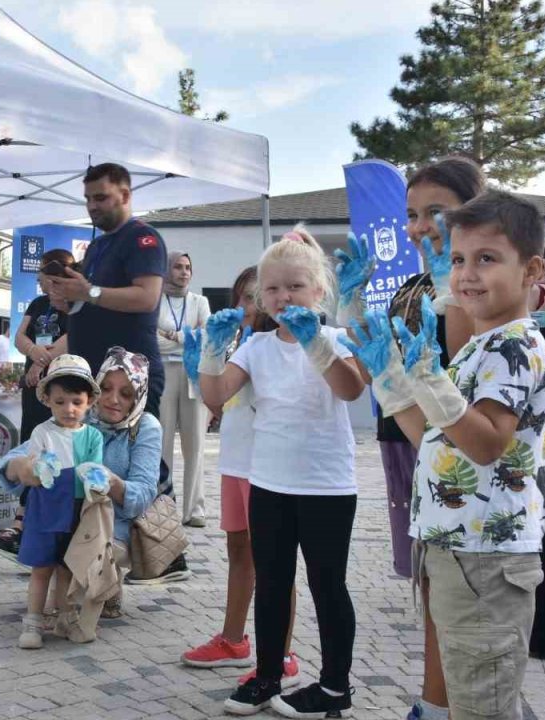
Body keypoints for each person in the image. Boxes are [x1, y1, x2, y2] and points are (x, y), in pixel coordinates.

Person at [349, 190, 545, 720]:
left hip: (487, 556)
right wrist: (393, 382)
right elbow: (435, 437)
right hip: (454, 548)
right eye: (459, 259)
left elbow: (485, 444)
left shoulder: (516, 346)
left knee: (482, 702)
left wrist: (429, 378)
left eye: (487, 259)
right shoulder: (478, 347)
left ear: (531, 269)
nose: (467, 274)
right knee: (471, 692)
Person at [339, 156, 484, 720]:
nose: (421, 227)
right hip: (406, 440)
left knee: (461, 595)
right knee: (429, 583)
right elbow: (376, 360)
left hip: (462, 454)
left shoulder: (477, 284)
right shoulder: (411, 285)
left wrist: (453, 284)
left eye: (437, 213)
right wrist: (349, 305)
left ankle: (460, 705)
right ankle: (434, 701)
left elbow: (462, 365)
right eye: (412, 215)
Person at [199, 232, 367, 718]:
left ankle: (336, 685)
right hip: (269, 483)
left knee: (327, 584)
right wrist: (211, 353)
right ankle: (266, 676)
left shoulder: (335, 339)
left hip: (327, 486)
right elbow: (216, 396)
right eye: (271, 289)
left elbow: (351, 389)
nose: (283, 297)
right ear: (258, 298)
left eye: (295, 286)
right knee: (272, 581)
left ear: (319, 292)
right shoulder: (256, 347)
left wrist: (317, 344)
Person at [180, 266, 302, 689]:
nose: (245, 306)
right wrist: (205, 364)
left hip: (267, 467)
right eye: (241, 297)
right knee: (239, 551)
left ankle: (282, 654)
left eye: (254, 297)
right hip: (235, 460)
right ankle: (233, 640)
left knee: (275, 562)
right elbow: (218, 400)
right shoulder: (237, 341)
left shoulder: (274, 345)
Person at [0, 348, 161, 635]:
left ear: (139, 395)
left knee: (79, 551)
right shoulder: (77, 413)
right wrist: (20, 468)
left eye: (125, 394)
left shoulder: (145, 426)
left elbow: (143, 496)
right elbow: (12, 461)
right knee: (56, 558)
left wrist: (111, 483)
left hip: (113, 521)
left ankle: (104, 583)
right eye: (107, 388)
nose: (112, 400)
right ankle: (63, 607)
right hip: (68, 514)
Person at [49, 163, 167, 416]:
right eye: (88, 199)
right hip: (93, 376)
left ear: (124, 196)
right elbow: (94, 297)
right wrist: (69, 300)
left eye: (100, 197)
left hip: (127, 381)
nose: (92, 206)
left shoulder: (143, 238)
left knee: (134, 454)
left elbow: (147, 297)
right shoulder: (97, 246)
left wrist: (87, 293)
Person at [4, 354, 104, 649]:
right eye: (60, 402)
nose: (69, 409)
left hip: (76, 510)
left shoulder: (93, 437)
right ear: (47, 400)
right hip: (45, 508)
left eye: (76, 401)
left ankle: (65, 617)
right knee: (41, 568)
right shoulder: (42, 432)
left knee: (67, 568)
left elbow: (94, 472)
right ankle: (33, 621)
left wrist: (95, 480)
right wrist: (36, 468)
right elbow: (34, 466)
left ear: (89, 402)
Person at [0, 249, 73, 559]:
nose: (43, 283)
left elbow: (71, 338)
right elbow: (20, 336)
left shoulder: (74, 306)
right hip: (34, 389)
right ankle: (21, 521)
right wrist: (34, 355)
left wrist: (41, 361)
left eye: (47, 277)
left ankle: (32, 526)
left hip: (62, 388)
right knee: (30, 445)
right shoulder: (38, 305)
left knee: (58, 450)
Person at [156, 251, 212, 527]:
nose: (183, 272)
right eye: (177, 267)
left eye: (188, 267)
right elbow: (153, 342)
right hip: (163, 375)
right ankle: (163, 506)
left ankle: (195, 509)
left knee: (196, 446)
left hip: (193, 375)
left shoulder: (200, 302)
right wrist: (187, 338)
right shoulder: (155, 301)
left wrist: (174, 335)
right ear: (167, 270)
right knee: (161, 443)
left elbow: (206, 337)